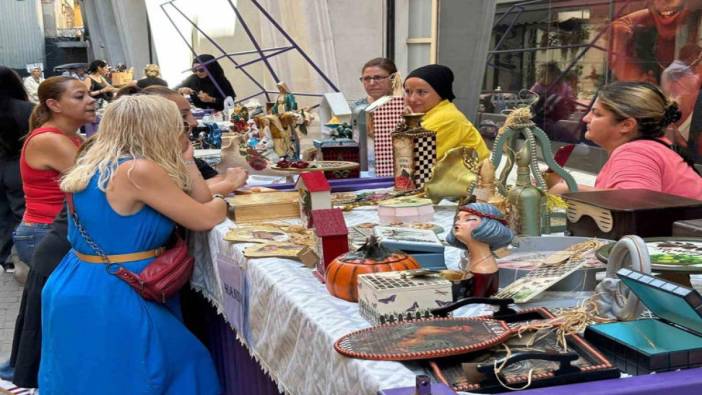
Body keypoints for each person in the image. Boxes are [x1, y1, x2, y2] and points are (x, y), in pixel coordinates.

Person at [40, 95, 222, 394]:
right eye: (178, 125)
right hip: (120, 288)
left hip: (83, 280)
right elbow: (203, 215)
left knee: (91, 380)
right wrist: (222, 202)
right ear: (159, 128)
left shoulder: (95, 162)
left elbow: (198, 200)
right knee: (176, 370)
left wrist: (187, 159)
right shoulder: (137, 170)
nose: (185, 128)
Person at [1, 76, 95, 383]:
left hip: (50, 230)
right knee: (56, 312)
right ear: (54, 105)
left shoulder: (71, 138)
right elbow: (96, 183)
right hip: (45, 233)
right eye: (80, 96)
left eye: (90, 94)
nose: (91, 100)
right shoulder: (51, 139)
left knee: (49, 311)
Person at [549, 81, 702, 200]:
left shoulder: (636, 152)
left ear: (626, 125)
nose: (585, 118)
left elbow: (632, 201)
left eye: (597, 114)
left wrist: (569, 189)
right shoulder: (650, 147)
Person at [404, 64, 490, 161]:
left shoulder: (446, 118)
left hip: (469, 175)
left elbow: (407, 156)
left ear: (440, 93)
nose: (412, 99)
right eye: (408, 92)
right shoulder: (430, 114)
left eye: (422, 92)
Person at [0, 67, 32, 274]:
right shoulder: (28, 109)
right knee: (21, 212)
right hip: (19, 166)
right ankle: (22, 255)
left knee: (2, 213)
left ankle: (5, 259)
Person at [446, 202, 513, 297]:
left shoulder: (483, 269)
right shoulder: (475, 261)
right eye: (458, 218)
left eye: (468, 219)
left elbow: (476, 305)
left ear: (488, 226)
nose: (457, 223)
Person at [530, 62, 578, 142]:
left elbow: (570, 105)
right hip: (544, 120)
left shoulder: (561, 87)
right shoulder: (539, 87)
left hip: (549, 119)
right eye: (540, 75)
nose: (540, 78)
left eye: (542, 75)